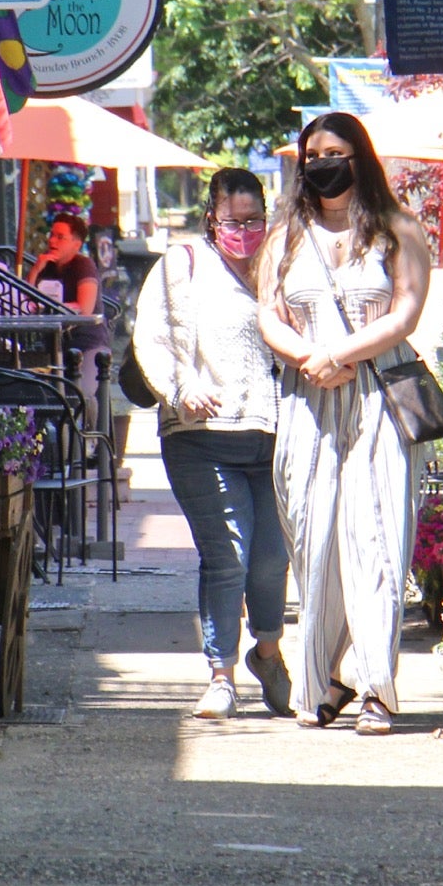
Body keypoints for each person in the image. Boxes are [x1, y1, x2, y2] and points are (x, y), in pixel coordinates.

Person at [258, 112, 431, 736]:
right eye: (313, 154)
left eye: (336, 151)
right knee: (315, 542)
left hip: (379, 397)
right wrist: (308, 356)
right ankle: (327, 679)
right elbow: (268, 314)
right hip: (308, 400)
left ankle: (377, 688)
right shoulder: (287, 235)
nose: (323, 163)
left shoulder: (397, 228)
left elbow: (406, 311)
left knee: (376, 538)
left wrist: (342, 354)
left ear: (361, 157)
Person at [133, 170, 291, 720]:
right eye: (233, 221)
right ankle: (221, 675)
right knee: (229, 557)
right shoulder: (184, 264)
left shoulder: (281, 266)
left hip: (272, 438)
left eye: (254, 221)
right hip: (200, 438)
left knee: (271, 562)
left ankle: (266, 651)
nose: (244, 231)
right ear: (210, 219)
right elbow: (150, 336)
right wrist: (180, 387)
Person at [30, 214, 108, 422]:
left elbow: (85, 308)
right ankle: (60, 443)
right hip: (53, 346)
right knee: (42, 396)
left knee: (82, 394)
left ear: (76, 243)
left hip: (87, 344)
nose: (52, 241)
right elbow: (25, 303)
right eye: (51, 235)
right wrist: (36, 269)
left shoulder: (83, 265)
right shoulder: (47, 267)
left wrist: (51, 308)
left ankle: (89, 440)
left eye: (60, 237)